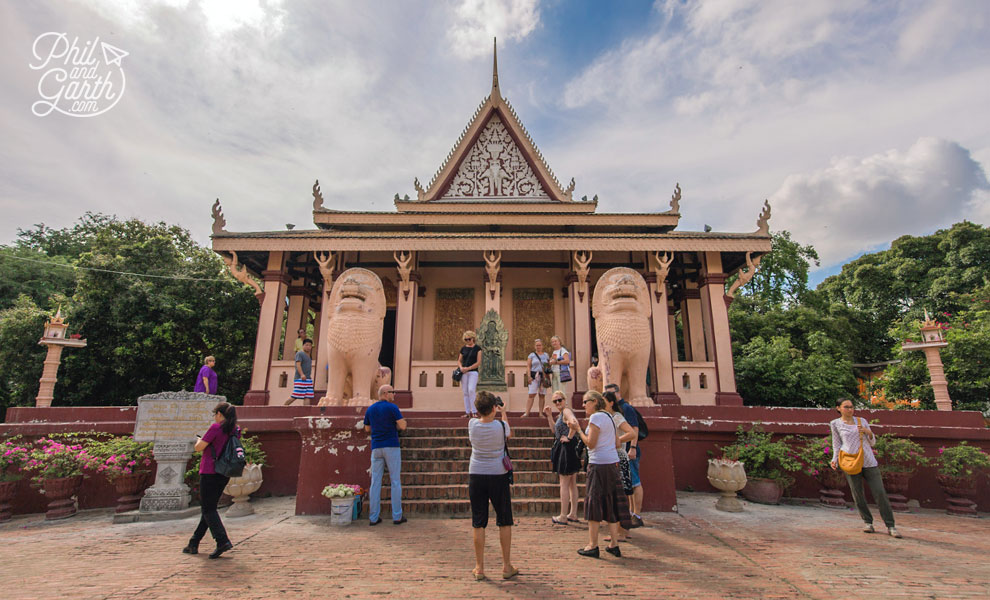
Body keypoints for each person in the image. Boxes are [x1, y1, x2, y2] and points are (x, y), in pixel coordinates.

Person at [568, 390, 629, 558]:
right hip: (611, 463)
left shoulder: (595, 418)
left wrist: (578, 430)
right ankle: (614, 544)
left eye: (586, 401)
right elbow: (617, 442)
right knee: (611, 501)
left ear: (594, 402)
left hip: (598, 464)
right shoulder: (609, 416)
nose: (583, 405)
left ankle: (592, 545)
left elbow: (591, 443)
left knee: (594, 502)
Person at [830, 398, 901, 538]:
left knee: (879, 492)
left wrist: (868, 432)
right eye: (846, 407)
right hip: (850, 461)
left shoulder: (862, 421)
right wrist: (834, 459)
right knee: (857, 494)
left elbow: (872, 442)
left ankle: (890, 525)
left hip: (868, 461)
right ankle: (868, 522)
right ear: (838, 408)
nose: (850, 409)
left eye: (851, 407)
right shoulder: (835, 424)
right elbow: (836, 443)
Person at [468, 391, 518, 580]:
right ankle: (506, 565)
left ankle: (479, 567)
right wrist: (503, 412)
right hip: (498, 474)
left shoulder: (471, 425)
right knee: (504, 519)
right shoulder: (501, 426)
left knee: (478, 522)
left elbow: (478, 419)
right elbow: (508, 434)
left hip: (477, 474)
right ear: (494, 408)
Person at [183, 402, 237, 559]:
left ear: (220, 414)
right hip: (224, 472)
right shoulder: (235, 430)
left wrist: (198, 439)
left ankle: (222, 540)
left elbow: (199, 447)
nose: (214, 417)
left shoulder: (216, 428)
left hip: (209, 471)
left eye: (215, 414)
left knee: (208, 509)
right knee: (209, 509)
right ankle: (193, 543)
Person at [364, 385, 408, 525]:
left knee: (375, 482)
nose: (394, 394)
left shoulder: (370, 409)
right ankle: (397, 516)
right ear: (385, 393)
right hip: (391, 446)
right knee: (395, 481)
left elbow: (367, 428)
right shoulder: (392, 408)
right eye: (392, 392)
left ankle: (373, 517)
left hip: (376, 447)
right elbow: (402, 426)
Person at [606, 383, 644, 528]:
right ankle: (631, 513)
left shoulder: (626, 408)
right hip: (621, 451)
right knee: (628, 484)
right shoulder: (615, 411)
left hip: (629, 450)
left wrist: (633, 447)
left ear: (617, 393)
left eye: (610, 394)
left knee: (634, 482)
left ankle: (637, 514)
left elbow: (634, 429)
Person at [603, 390, 637, 542]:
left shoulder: (616, 416)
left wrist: (617, 440)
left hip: (619, 456)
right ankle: (623, 530)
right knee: (620, 494)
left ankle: (622, 531)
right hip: (613, 456)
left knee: (620, 494)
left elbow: (631, 433)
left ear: (611, 402)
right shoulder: (609, 417)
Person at [543, 389, 580, 524]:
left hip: (566, 448)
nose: (558, 402)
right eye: (555, 401)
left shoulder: (566, 411)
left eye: (560, 399)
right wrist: (549, 416)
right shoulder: (561, 414)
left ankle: (563, 515)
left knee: (564, 483)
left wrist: (569, 437)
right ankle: (573, 513)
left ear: (565, 400)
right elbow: (554, 431)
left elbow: (574, 423)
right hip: (567, 447)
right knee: (571, 483)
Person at [458, 331, 482, 418]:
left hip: (473, 372)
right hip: (464, 372)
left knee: (471, 390)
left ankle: (474, 411)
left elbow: (478, 362)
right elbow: (459, 360)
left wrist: (468, 368)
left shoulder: (477, 349)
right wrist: (461, 367)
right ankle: (467, 412)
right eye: (466, 339)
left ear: (473, 338)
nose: (467, 341)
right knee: (465, 392)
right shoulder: (463, 348)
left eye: (469, 339)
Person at [524, 339, 550, 417]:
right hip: (533, 375)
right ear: (534, 346)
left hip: (543, 376)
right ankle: (527, 413)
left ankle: (541, 413)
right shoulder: (531, 355)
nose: (538, 347)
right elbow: (528, 366)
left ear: (542, 346)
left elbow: (548, 366)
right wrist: (528, 376)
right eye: (537, 345)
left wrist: (547, 376)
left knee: (542, 395)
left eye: (540, 345)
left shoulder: (546, 355)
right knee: (531, 394)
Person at [286, 339, 314, 406]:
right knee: (295, 395)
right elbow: (298, 365)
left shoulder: (309, 356)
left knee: (308, 396)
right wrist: (302, 374)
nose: (308, 347)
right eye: (306, 345)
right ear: (303, 345)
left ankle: (306, 412)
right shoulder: (300, 353)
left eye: (310, 345)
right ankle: (283, 407)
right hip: (300, 378)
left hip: (308, 378)